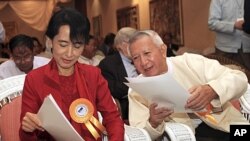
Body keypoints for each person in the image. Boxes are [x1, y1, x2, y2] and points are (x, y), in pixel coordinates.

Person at [19, 8, 124, 141]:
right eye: (63, 44)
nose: (69, 53)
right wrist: (28, 128)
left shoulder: (93, 75)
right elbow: (25, 135)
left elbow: (112, 118)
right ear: (50, 41)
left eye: (77, 46)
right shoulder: (34, 79)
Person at [128, 30, 249, 141]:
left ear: (163, 50)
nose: (143, 62)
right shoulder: (136, 91)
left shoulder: (190, 62)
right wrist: (153, 122)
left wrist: (212, 89)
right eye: (136, 58)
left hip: (226, 125)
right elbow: (140, 134)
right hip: (185, 136)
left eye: (147, 53)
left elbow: (239, 78)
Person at [99, 27, 138, 120]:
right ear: (121, 45)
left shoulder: (141, 58)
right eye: (133, 43)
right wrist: (139, 86)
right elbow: (113, 90)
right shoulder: (108, 64)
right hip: (126, 108)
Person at [208, 0, 250, 70]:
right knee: (223, 77)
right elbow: (212, 23)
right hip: (224, 49)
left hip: (246, 48)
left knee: (246, 78)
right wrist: (233, 25)